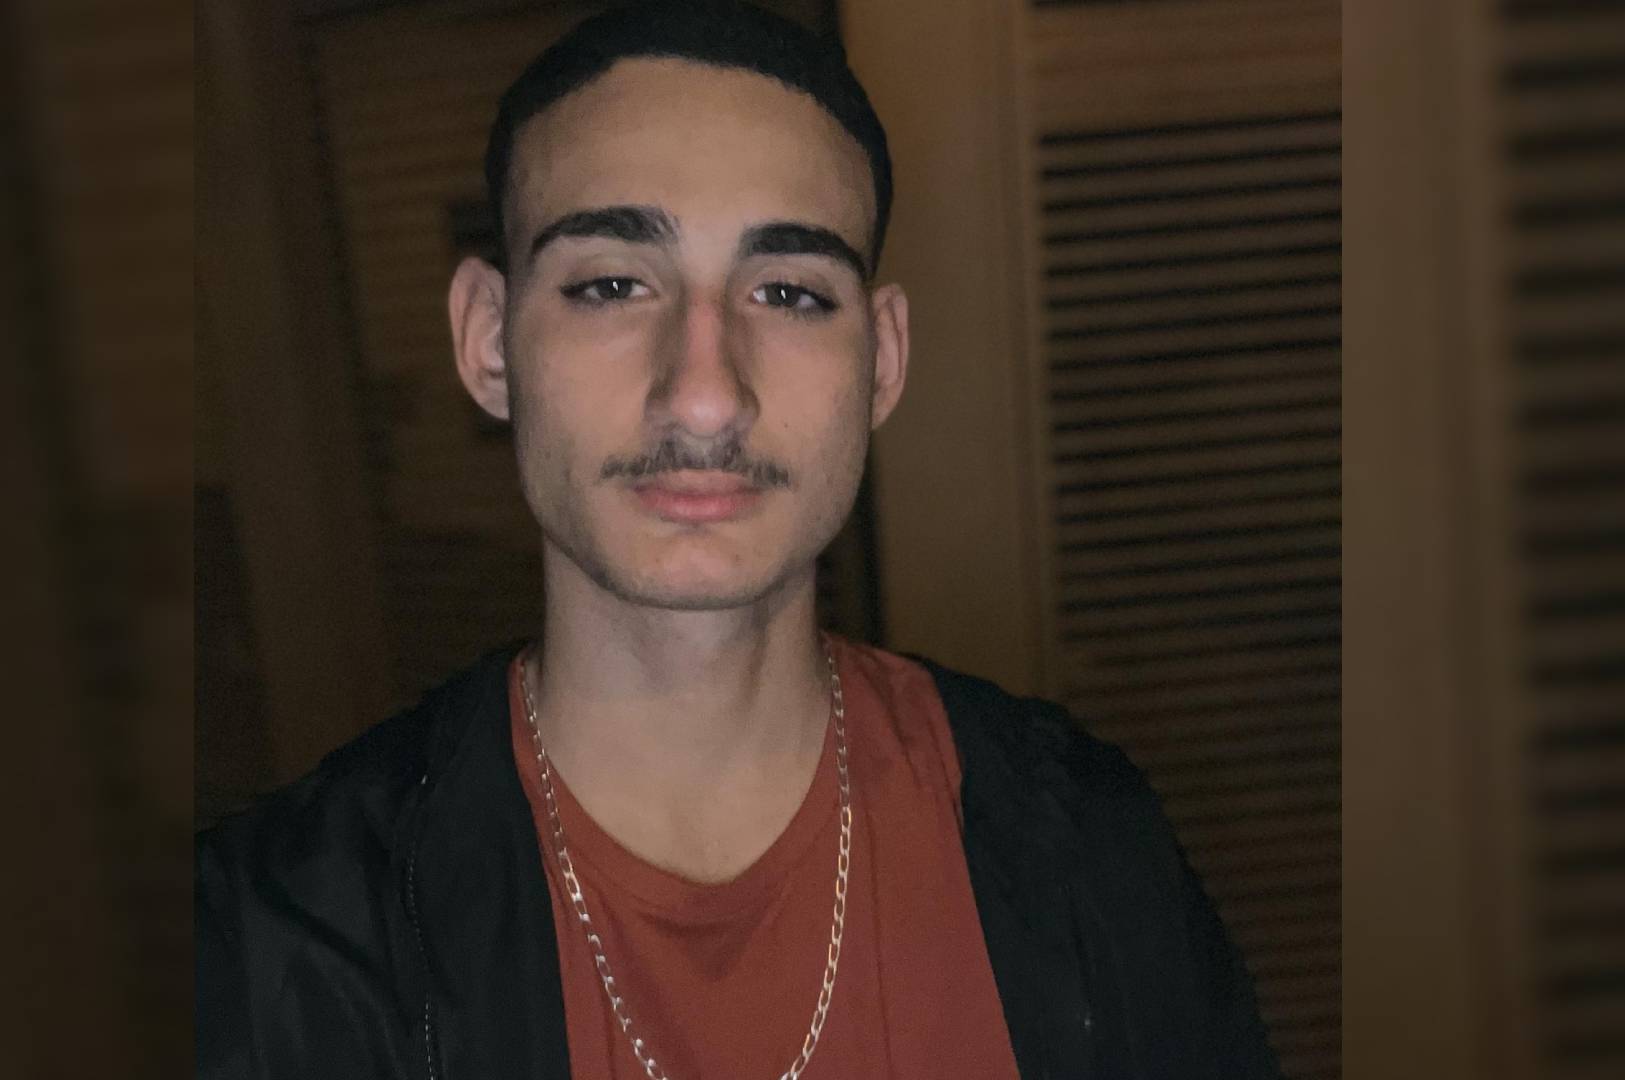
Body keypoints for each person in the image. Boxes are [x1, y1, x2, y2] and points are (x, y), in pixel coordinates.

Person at [195, 3, 1282, 1078]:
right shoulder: (274, 939)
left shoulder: (1085, 843)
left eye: (789, 293)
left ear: (883, 361)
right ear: (488, 341)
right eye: (612, 285)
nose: (706, 395)